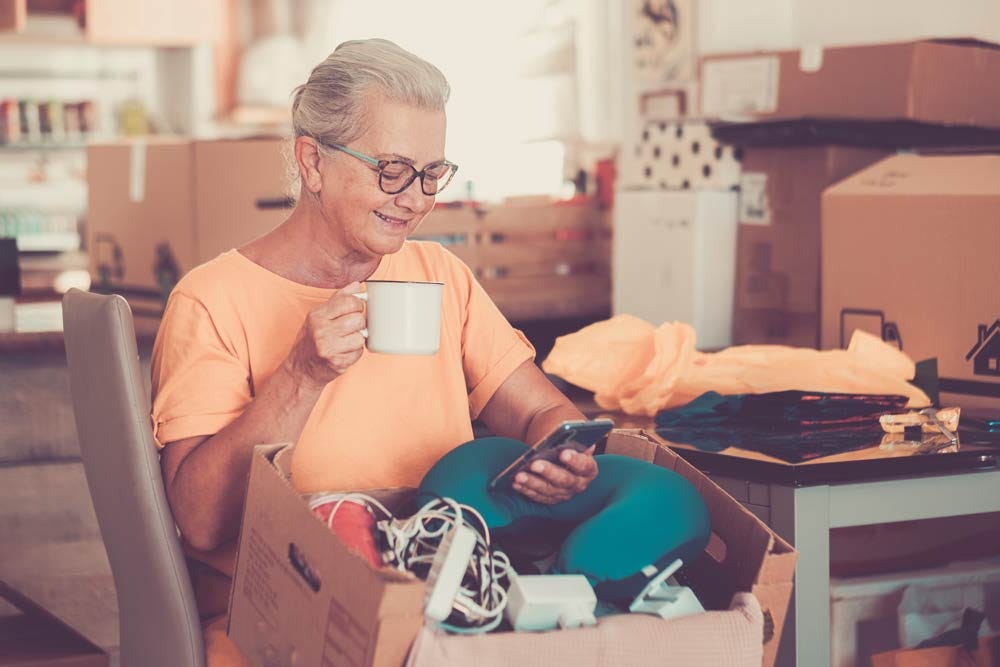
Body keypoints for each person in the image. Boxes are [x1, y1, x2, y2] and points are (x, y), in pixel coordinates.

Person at [150, 38, 598, 665]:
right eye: (391, 169)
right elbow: (200, 520)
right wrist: (300, 377)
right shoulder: (211, 299)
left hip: (440, 598)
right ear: (313, 162)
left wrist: (564, 453)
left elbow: (541, 415)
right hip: (276, 608)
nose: (413, 198)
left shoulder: (440, 274)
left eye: (431, 174)